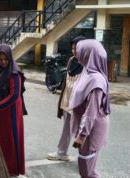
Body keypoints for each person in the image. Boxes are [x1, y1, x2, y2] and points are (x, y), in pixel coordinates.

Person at [0, 44, 27, 176]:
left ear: (10, 58)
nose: (3, 62)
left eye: (5, 59)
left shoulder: (14, 73)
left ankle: (11, 167)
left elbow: (14, 96)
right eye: (0, 59)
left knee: (9, 138)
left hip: (9, 111)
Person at [69, 39, 110, 178]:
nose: (77, 52)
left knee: (87, 170)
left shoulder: (96, 80)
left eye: (80, 50)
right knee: (85, 167)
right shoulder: (86, 71)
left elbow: (91, 112)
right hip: (84, 127)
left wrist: (82, 135)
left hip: (90, 130)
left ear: (88, 54)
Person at [47, 36, 86, 161]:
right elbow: (67, 81)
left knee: (81, 131)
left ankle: (85, 157)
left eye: (77, 48)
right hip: (66, 100)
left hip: (79, 104)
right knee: (66, 128)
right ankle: (61, 152)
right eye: (73, 48)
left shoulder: (87, 64)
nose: (75, 51)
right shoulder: (71, 60)